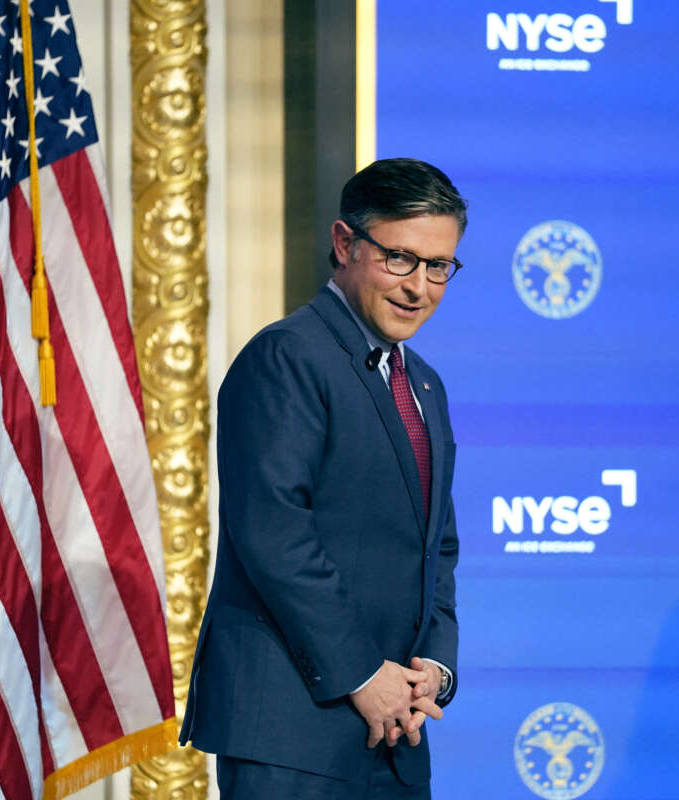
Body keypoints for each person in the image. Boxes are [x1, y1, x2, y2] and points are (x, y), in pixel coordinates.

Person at [180, 158, 466, 798]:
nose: (418, 286)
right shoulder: (287, 356)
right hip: (293, 732)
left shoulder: (423, 382)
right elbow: (274, 532)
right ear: (345, 243)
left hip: (397, 731)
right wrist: (364, 674)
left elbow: (437, 548)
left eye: (438, 266)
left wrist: (434, 670)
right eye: (399, 258)